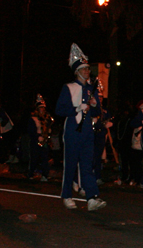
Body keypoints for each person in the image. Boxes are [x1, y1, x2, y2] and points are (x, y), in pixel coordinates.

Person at [56, 43, 107, 211]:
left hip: (87, 132)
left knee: (87, 164)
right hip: (72, 130)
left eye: (87, 69)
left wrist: (93, 105)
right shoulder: (68, 88)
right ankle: (66, 195)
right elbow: (59, 110)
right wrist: (76, 108)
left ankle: (91, 197)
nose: (87, 71)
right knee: (70, 164)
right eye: (84, 69)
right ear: (77, 71)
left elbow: (97, 111)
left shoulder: (91, 90)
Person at [27, 94, 53, 181]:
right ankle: (30, 174)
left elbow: (48, 127)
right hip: (36, 141)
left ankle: (45, 175)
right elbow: (30, 131)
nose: (42, 109)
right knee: (34, 158)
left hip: (44, 140)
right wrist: (37, 136)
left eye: (43, 108)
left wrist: (48, 133)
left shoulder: (46, 118)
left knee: (45, 158)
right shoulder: (33, 118)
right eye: (40, 108)